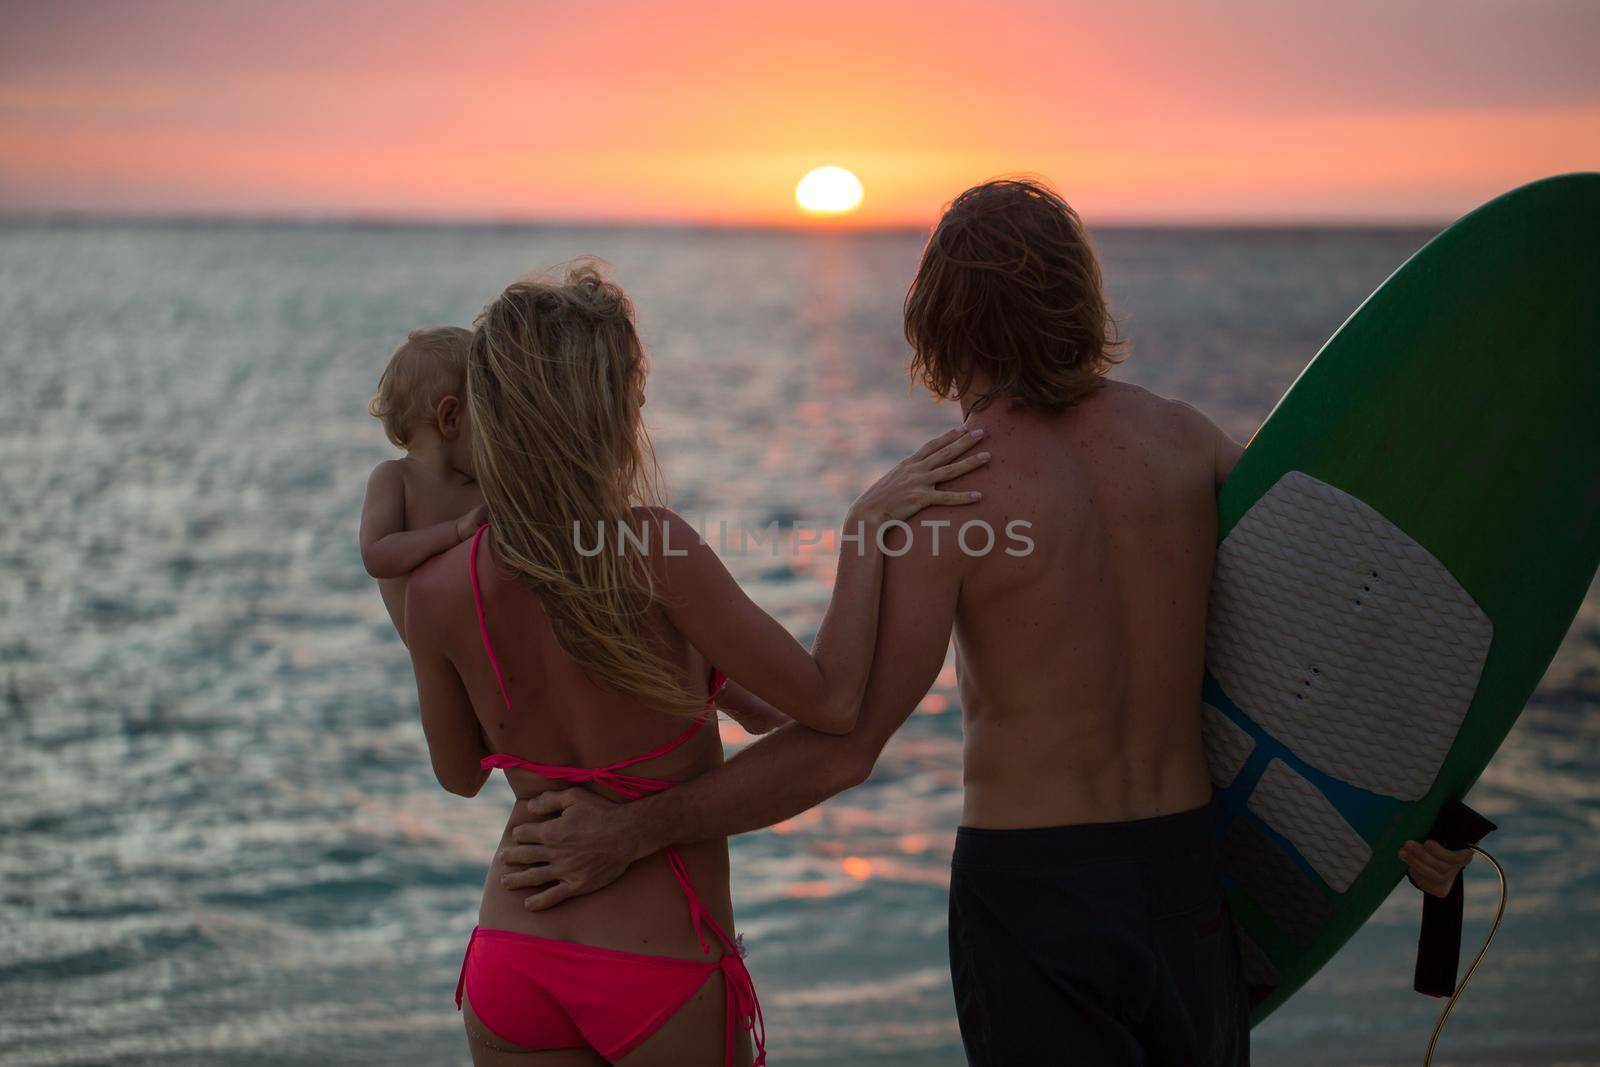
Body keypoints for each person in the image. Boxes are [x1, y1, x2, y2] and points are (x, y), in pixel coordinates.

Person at [496, 180, 1475, 1066]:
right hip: (1190, 882)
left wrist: (633, 831)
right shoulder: (1189, 443)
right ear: (1079, 304)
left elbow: (845, 747)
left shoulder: (948, 495)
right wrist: (1432, 814)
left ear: (939, 323)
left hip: (1038, 891)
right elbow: (1356, 636)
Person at [400, 262, 991, 1066]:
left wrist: (703, 681)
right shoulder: (654, 550)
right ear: (599, 410)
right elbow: (834, 700)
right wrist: (865, 531)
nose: (643, 403)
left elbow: (460, 772)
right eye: (633, 389)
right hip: (655, 965)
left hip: (514, 953)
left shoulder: (436, 588)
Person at [360, 325, 489, 644]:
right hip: (438, 661)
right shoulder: (395, 479)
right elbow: (377, 554)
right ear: (451, 419)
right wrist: (455, 531)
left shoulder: (483, 484)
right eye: (489, 416)